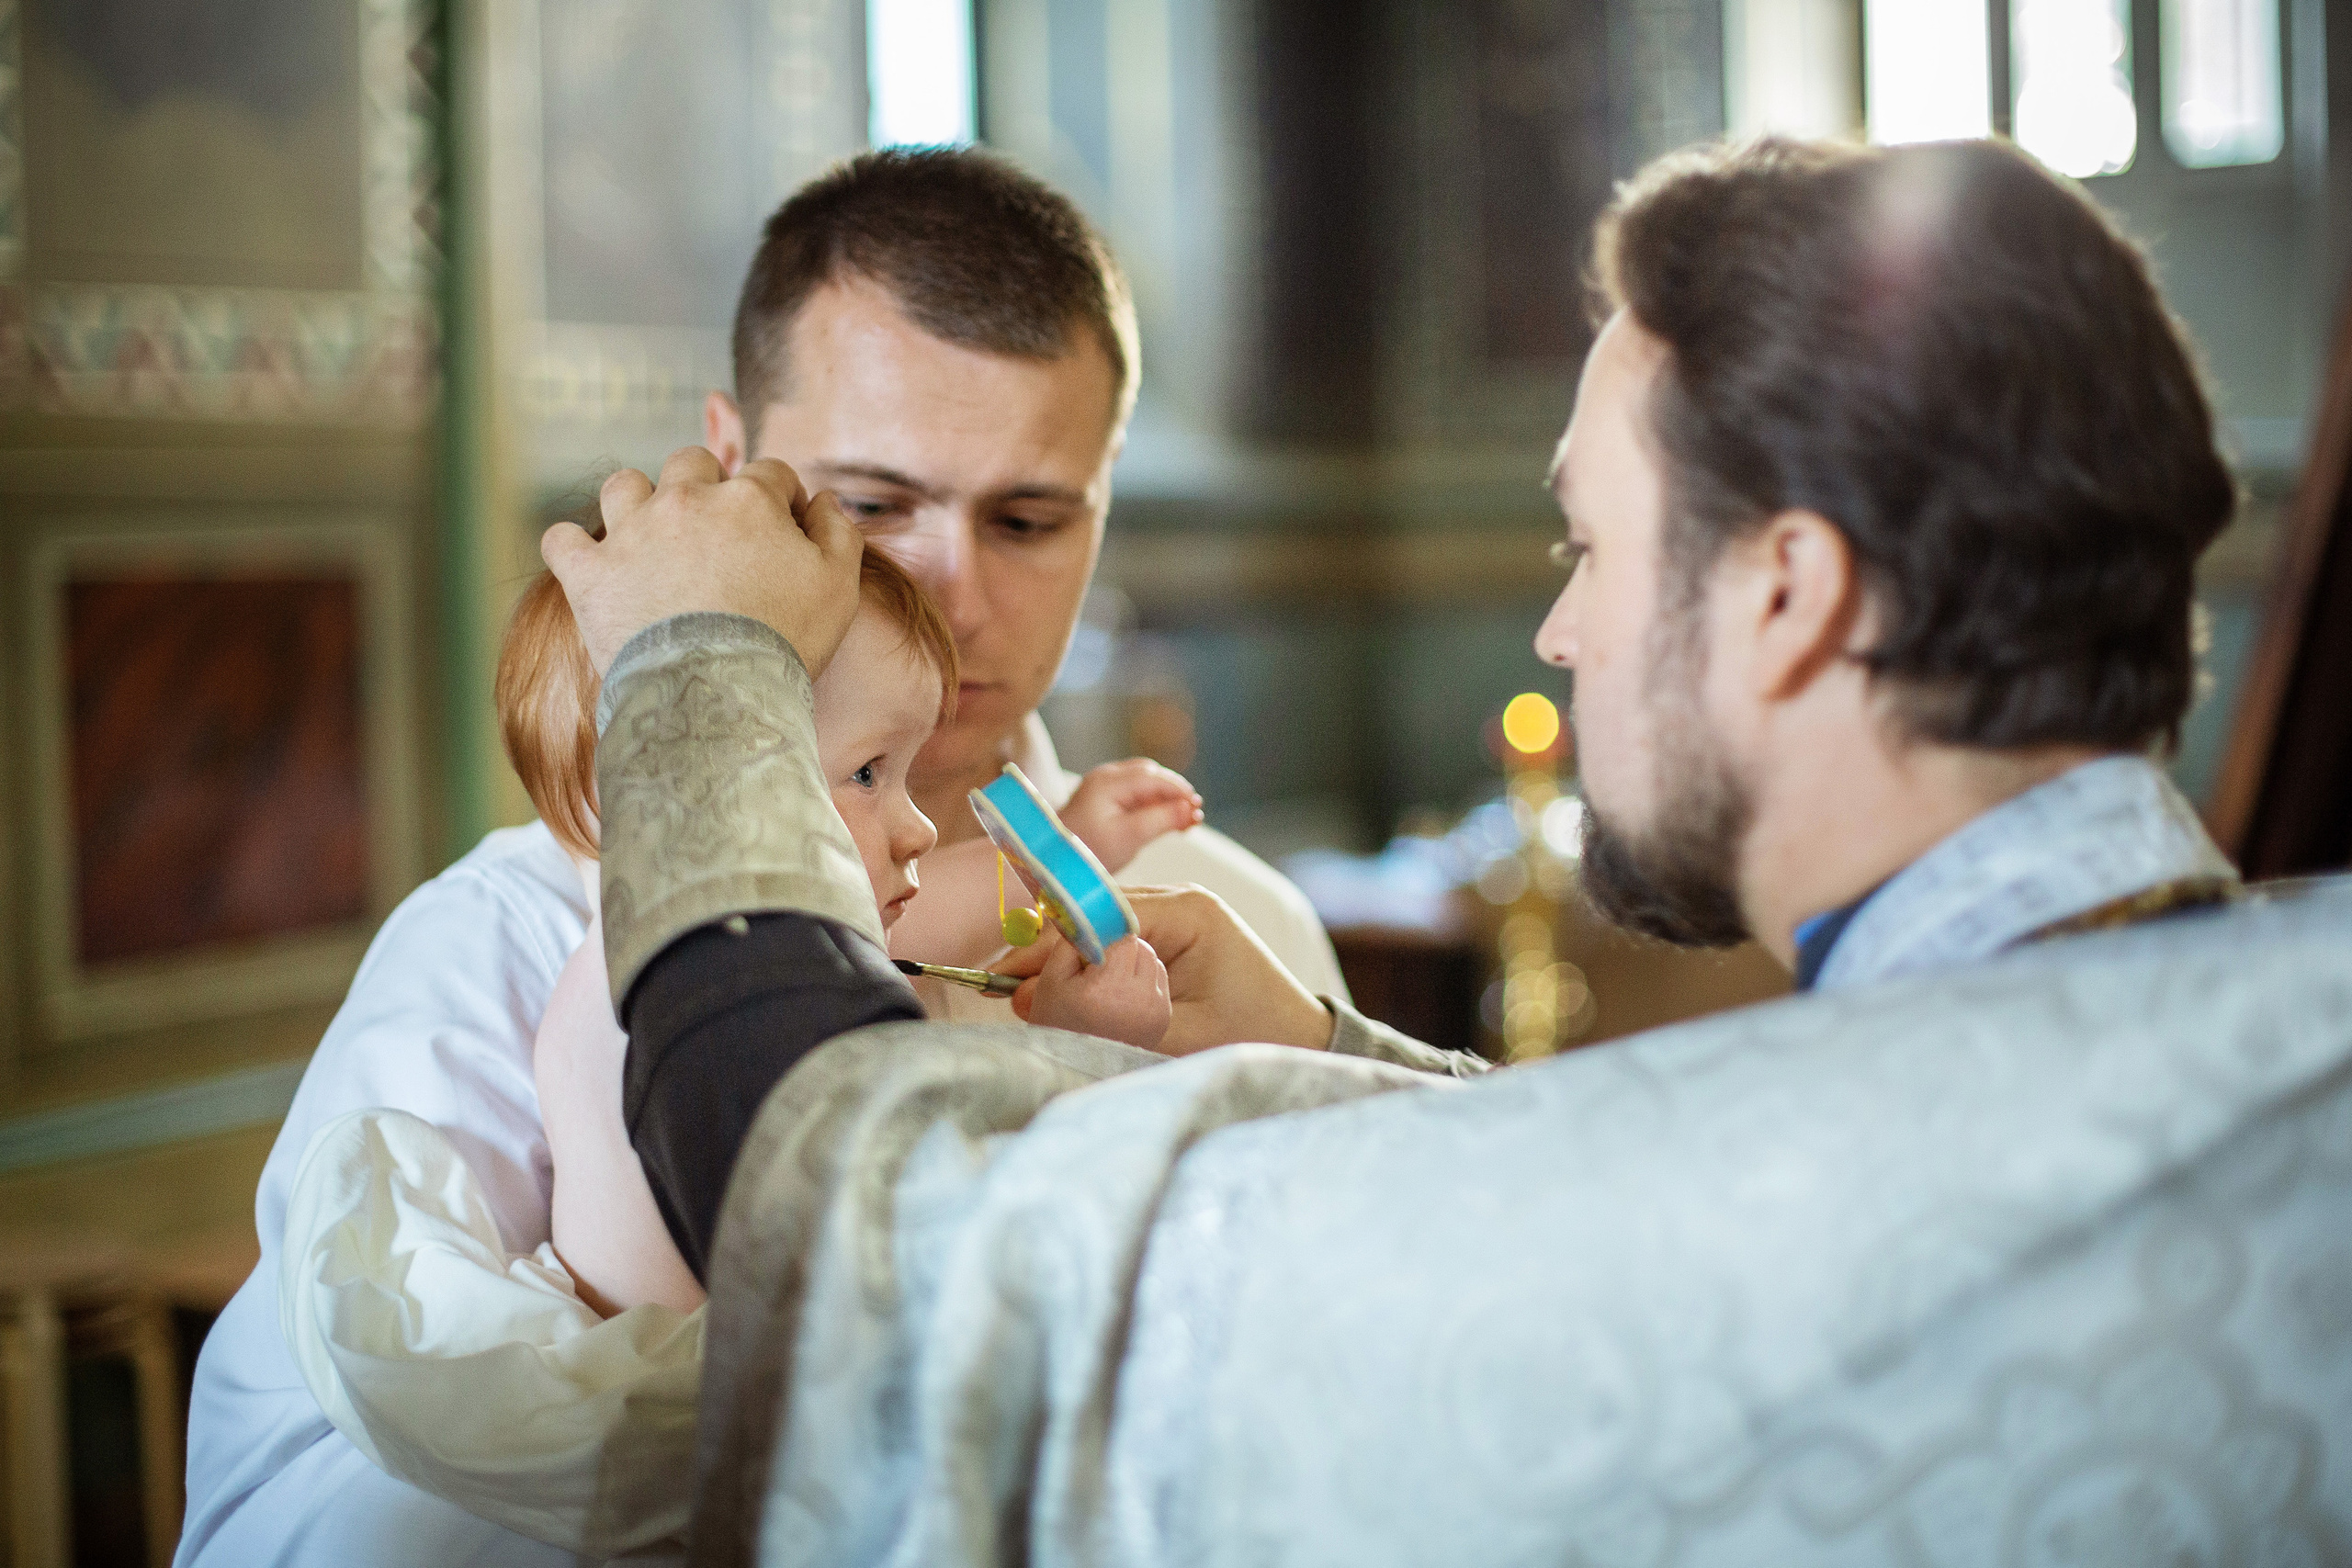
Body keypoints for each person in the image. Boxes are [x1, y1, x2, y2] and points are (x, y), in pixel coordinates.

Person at [538, 137, 2350, 1560]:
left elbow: (895, 1277)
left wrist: (703, 672)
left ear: (1786, 593)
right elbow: (1651, 1191)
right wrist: (1330, 1061)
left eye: (1588, 547)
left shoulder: (1846, 1162)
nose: (1558, 633)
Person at [177, 148, 1339, 1568]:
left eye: (1029, 518)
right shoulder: (498, 941)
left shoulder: (1237, 930)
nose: (955, 590)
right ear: (732, 467)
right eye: (874, 505)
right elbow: (289, 1523)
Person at [520, 551, 1175, 1315]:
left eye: (906, 774)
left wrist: (1061, 847)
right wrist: (1087, 1050)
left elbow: (939, 914)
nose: (922, 829)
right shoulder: (679, 980)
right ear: (667, 784)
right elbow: (919, 1238)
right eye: (867, 773)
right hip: (714, 1379)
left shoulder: (720, 952)